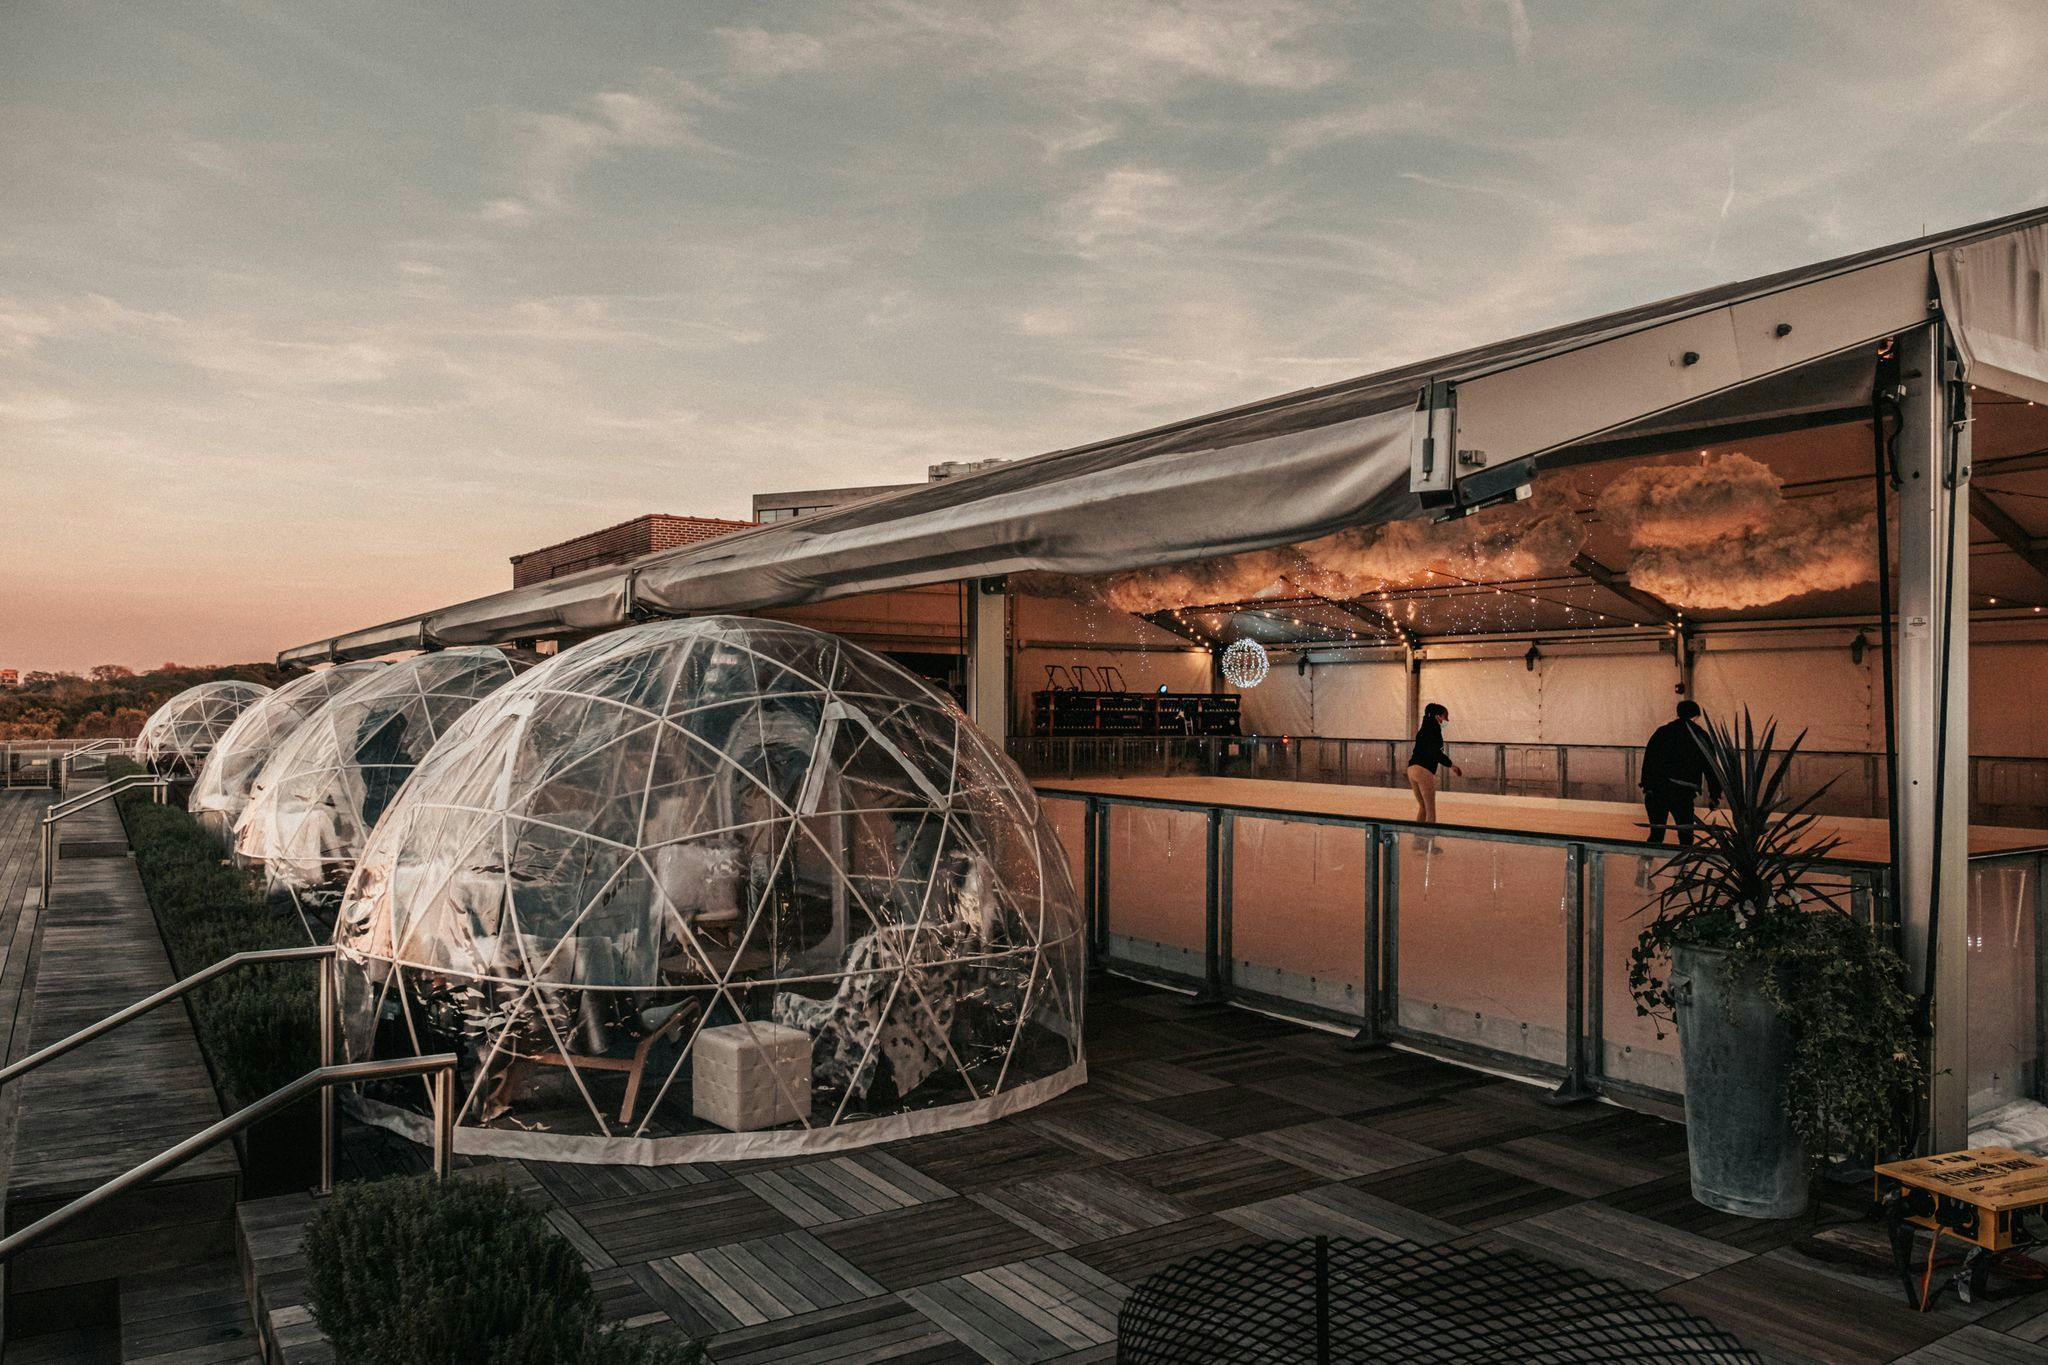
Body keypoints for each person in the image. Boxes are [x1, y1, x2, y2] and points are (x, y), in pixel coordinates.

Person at [1640, 700, 1721, 846]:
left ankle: (1645, 865)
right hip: (1682, 793)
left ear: (1678, 714)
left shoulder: (1661, 732)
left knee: (1656, 834)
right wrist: (1714, 795)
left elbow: (1648, 760)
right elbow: (1710, 767)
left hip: (1656, 790)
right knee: (1686, 837)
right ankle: (1684, 867)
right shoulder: (1700, 735)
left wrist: (1648, 786)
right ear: (1696, 716)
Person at [1406, 703, 1461, 823]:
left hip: (1411, 769)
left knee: (1423, 807)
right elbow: (1435, 752)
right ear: (1438, 716)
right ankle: (1430, 837)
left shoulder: (1423, 729)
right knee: (1430, 810)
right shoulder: (1434, 730)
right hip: (1423, 770)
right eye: (1445, 717)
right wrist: (1451, 765)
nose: (1446, 720)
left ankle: (1418, 836)